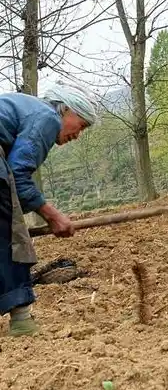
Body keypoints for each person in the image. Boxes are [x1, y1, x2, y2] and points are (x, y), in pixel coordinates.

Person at [0, 82, 97, 337]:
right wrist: (53, 216)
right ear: (66, 110)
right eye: (82, 125)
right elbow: (19, 176)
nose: (78, 135)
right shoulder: (47, 117)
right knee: (11, 233)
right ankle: (21, 322)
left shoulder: (28, 109)